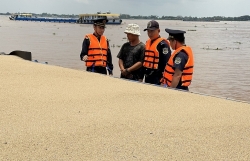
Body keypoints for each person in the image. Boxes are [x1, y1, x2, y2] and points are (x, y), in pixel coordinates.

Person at [141, 20, 171, 85]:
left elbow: (166, 63)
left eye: (152, 31)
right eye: (148, 31)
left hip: (158, 77)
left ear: (158, 30)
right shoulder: (148, 42)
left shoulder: (163, 45)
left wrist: (163, 79)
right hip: (147, 76)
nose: (150, 34)